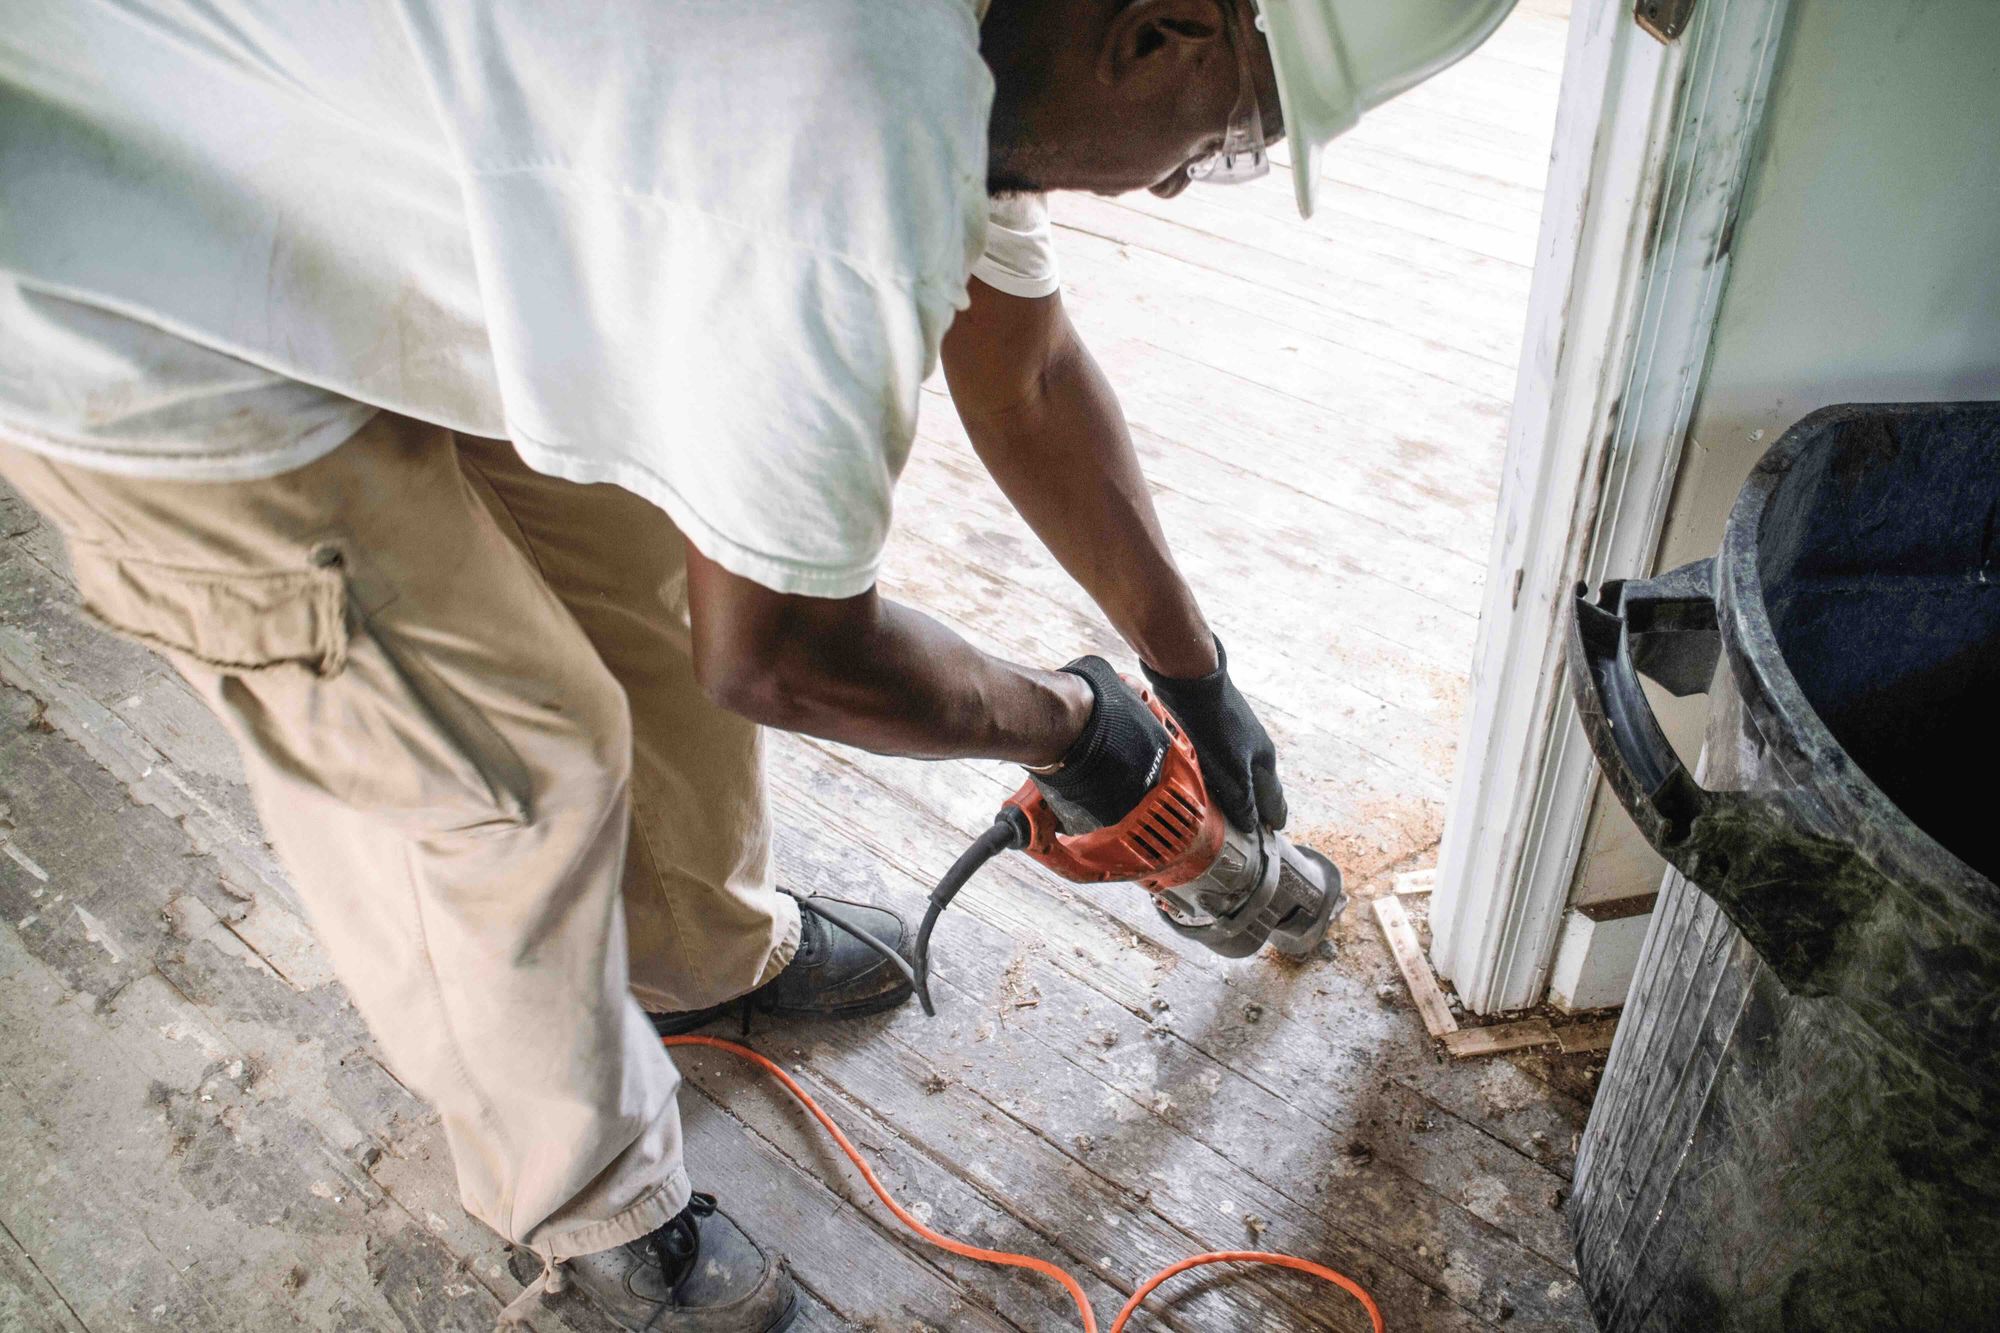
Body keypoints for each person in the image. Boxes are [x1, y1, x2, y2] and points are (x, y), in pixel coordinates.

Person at [0, 0, 1508, 1327]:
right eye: (1235, 137)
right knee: (501, 764)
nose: (1187, 178)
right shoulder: (844, 127)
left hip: (376, 173)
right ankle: (583, 1202)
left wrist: (1187, 666)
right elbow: (785, 654)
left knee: (649, 578)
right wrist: (1073, 725)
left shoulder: (978, 46)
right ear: (1162, 29)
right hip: (130, 257)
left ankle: (695, 953)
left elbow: (1027, 364)